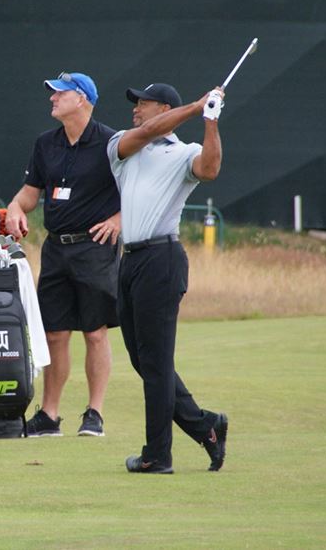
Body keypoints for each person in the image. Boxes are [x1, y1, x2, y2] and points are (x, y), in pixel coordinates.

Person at [107, 82, 229, 473]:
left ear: (164, 107)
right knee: (143, 360)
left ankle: (157, 455)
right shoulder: (122, 146)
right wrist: (196, 107)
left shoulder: (184, 153)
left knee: (157, 362)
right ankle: (206, 426)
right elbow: (144, 133)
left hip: (162, 258)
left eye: (142, 103)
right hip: (130, 260)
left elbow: (209, 169)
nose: (135, 110)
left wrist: (210, 121)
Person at [5, 72, 121, 437]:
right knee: (54, 333)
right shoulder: (45, 144)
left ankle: (95, 413)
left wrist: (120, 218)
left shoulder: (111, 143)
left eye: (60, 93)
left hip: (95, 248)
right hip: (56, 248)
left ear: (82, 99)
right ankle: (50, 415)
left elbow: (137, 188)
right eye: (52, 93)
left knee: (95, 332)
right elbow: (30, 192)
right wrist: (14, 208)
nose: (52, 99)